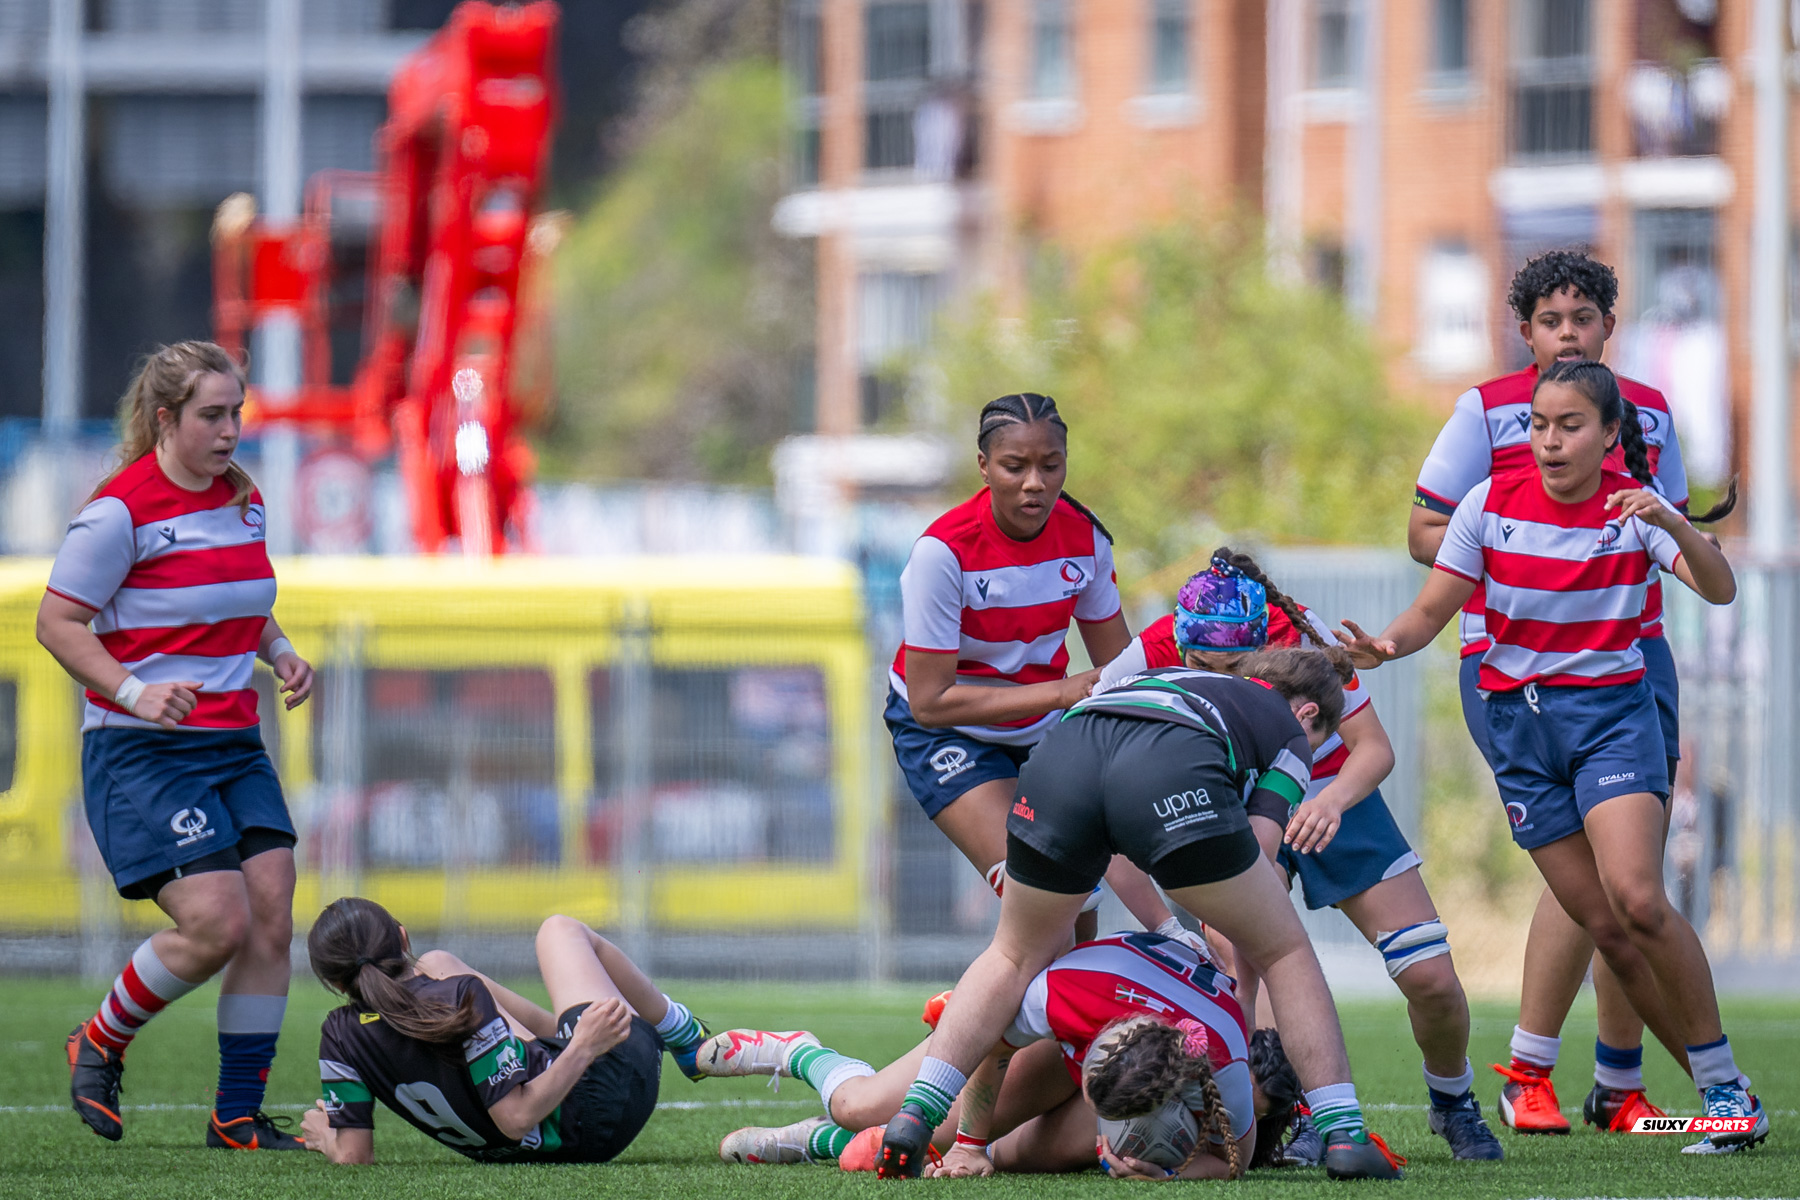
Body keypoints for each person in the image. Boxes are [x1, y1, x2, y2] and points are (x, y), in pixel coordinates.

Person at [1344, 358, 1762, 1155]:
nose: (1548, 440)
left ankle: (1724, 1093)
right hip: (1519, 733)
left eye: (1569, 426)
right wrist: (1382, 648)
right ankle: (1693, 1097)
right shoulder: (1488, 504)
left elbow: (1720, 589)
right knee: (1602, 924)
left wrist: (1675, 524)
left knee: (1637, 896)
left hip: (1611, 721)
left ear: (1610, 434)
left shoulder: (1634, 510)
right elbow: (1432, 611)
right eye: (1537, 425)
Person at [1408, 249, 1736, 1134]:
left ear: (1607, 328)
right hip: (1513, 665)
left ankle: (1617, 1082)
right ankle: (1538, 1067)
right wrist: (1517, 536)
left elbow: (1668, 540)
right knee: (1600, 880)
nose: (1565, 335)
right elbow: (1425, 530)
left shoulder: (1647, 413)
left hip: (1626, 660)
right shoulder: (1486, 411)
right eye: (1549, 321)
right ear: (1525, 332)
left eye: (1581, 320)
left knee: (1633, 878)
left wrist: (1639, 529)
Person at [875, 650, 1406, 1180]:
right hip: (1166, 768)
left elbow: (1117, 825)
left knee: (1012, 954)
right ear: (1309, 715)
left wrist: (1168, 921)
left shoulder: (1171, 676)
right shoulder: (1290, 735)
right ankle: (1344, 1134)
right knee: (1286, 949)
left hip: (1062, 756)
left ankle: (917, 1112)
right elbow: (1261, 853)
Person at [1101, 550, 1502, 1162]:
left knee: (1428, 973)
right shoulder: (1155, 646)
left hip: (1327, 791)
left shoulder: (1301, 637)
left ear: (1265, 643)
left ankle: (1453, 1102)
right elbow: (1096, 733)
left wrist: (1333, 801)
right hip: (1233, 799)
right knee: (1241, 959)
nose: (1215, 678)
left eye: (1234, 667)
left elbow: (1373, 748)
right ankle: (1301, 1112)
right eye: (1201, 665)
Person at [39, 342, 316, 1150]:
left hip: (233, 745)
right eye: (213, 415)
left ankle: (235, 1119)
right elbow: (55, 623)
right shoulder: (119, 513)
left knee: (271, 919)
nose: (232, 430)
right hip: (143, 752)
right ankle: (99, 1040)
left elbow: (238, 598)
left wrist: (281, 647)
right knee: (217, 921)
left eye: (237, 412)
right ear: (165, 419)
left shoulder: (243, 499)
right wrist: (133, 691)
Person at [886, 391, 1196, 943]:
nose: (1035, 482)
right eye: (1015, 466)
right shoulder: (943, 553)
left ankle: (1003, 1026)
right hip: (948, 728)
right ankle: (973, 1029)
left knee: (1079, 916)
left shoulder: (1086, 538)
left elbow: (1118, 668)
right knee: (1045, 899)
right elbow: (929, 702)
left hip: (1041, 726)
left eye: (1051, 465)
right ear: (984, 467)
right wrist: (1058, 695)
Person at [702, 933, 1304, 1179]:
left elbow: (1233, 1159)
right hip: (1037, 1030)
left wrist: (1161, 1170)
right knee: (863, 1107)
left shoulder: (1221, 1053)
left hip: (1116, 1049)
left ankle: (821, 1145)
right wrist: (965, 1141)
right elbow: (992, 1048)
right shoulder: (1063, 992)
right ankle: (801, 1055)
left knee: (1008, 1158)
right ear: (1098, 1041)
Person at [301, 899, 714, 1164]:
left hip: (512, 1151)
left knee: (438, 960)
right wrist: (584, 1048)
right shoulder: (459, 995)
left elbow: (353, 1156)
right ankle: (682, 1033)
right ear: (402, 935)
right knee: (559, 929)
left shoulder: (338, 1033)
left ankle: (569, 1034)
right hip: (595, 1108)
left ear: (337, 984)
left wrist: (327, 1138)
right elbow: (515, 1117)